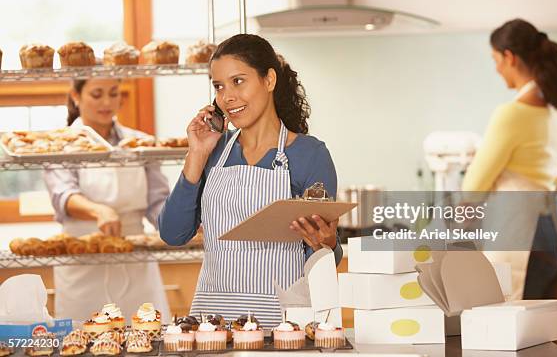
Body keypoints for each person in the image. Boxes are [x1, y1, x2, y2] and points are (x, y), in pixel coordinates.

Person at [158, 34, 342, 329]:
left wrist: (328, 244)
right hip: (213, 322)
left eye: (238, 81)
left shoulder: (309, 155)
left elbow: (323, 257)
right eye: (219, 86)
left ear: (269, 80)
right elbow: (172, 234)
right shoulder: (214, 150)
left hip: (283, 324)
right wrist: (196, 154)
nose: (226, 96)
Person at [462, 19, 557, 300]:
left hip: (519, 235)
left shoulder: (511, 114)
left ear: (509, 57)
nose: (497, 69)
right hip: (549, 236)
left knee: (508, 330)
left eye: (496, 60)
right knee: (536, 331)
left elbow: (473, 187)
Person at [43, 78, 171, 321]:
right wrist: (99, 211)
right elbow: (63, 195)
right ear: (76, 96)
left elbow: (157, 202)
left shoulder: (141, 143)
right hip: (82, 259)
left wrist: (179, 225)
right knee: (84, 340)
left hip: (136, 260)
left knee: (146, 339)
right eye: (97, 94)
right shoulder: (60, 144)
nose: (107, 102)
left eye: (114, 94)